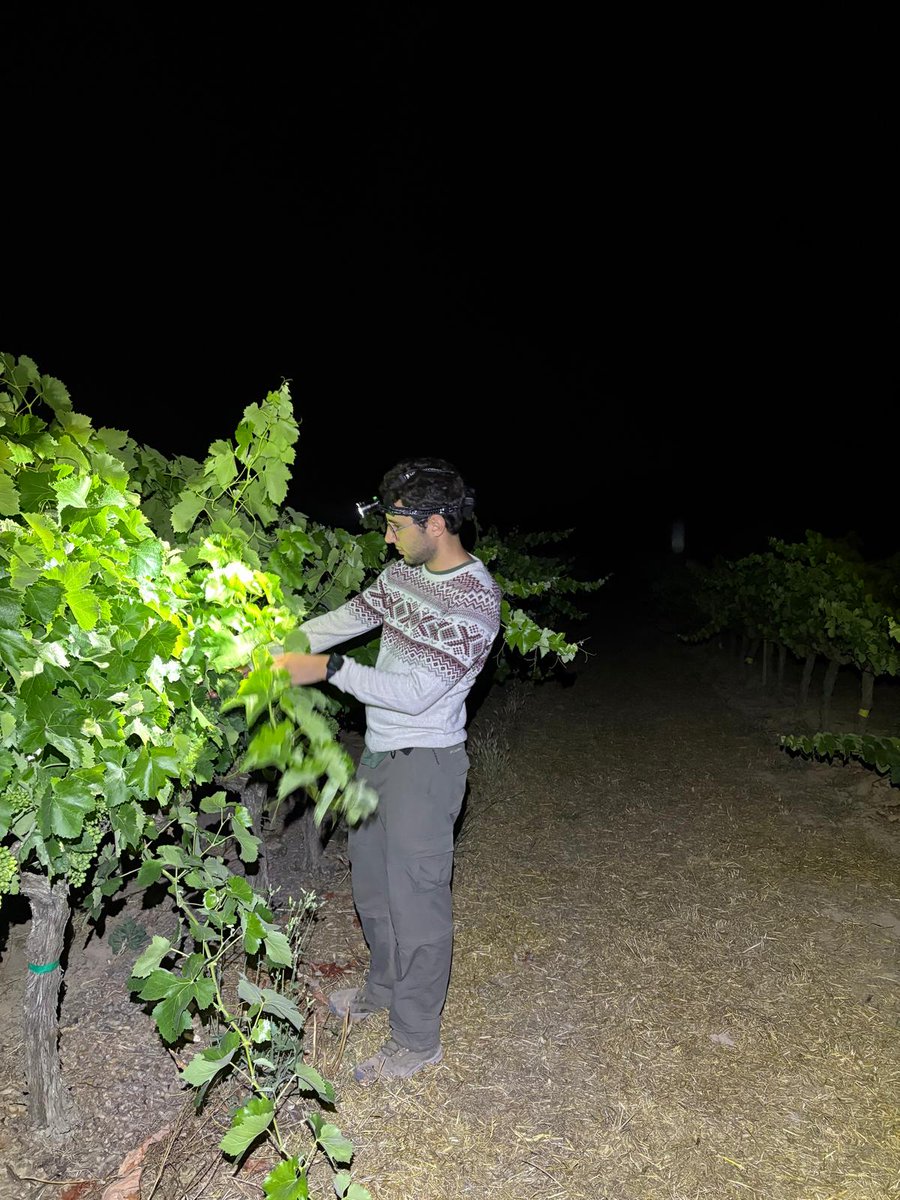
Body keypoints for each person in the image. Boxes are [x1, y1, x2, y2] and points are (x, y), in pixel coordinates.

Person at [273, 458, 501, 1083]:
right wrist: (280, 644)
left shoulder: (476, 601)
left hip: (425, 768)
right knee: (372, 888)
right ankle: (382, 988)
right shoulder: (404, 572)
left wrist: (329, 671)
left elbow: (417, 694)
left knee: (417, 906)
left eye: (396, 523)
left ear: (436, 523)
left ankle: (417, 1038)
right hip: (377, 756)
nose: (386, 535)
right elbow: (350, 618)